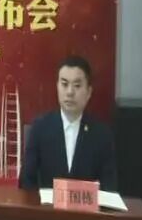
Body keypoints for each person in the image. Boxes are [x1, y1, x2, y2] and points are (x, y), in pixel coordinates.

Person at [19, 55, 117, 191]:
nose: (70, 92)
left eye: (77, 86)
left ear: (89, 92)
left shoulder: (102, 135)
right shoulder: (40, 128)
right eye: (64, 84)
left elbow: (109, 187)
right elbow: (26, 182)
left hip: (87, 205)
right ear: (57, 87)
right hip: (46, 205)